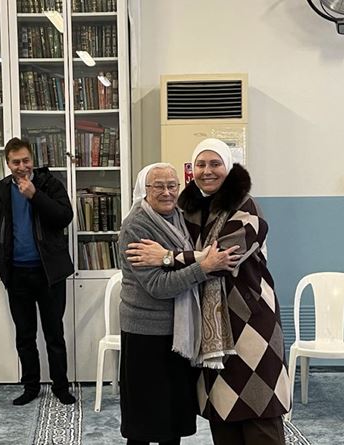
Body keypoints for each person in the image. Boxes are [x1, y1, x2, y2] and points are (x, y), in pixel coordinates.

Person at [126, 139, 291, 445]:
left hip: (251, 323)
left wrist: (165, 257)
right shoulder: (188, 210)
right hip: (212, 327)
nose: (207, 171)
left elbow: (226, 256)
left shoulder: (247, 205)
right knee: (223, 413)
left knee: (259, 413)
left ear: (228, 168)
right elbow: (200, 257)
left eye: (215, 164)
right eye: (200, 165)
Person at [118, 163, 240, 445]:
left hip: (179, 332)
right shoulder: (136, 225)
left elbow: (184, 256)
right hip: (145, 333)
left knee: (171, 419)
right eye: (158, 186)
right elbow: (158, 286)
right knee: (144, 422)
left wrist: (179, 259)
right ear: (143, 190)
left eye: (172, 185)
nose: (167, 192)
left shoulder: (181, 217)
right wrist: (204, 267)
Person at [0, 137, 75, 406]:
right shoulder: (0, 191)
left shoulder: (49, 184)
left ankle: (61, 386)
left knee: (53, 334)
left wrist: (35, 195)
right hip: (17, 274)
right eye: (16, 162)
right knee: (25, 335)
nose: (22, 166)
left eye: (26, 160)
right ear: (8, 164)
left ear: (32, 160)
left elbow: (64, 217)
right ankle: (31, 386)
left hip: (49, 274)